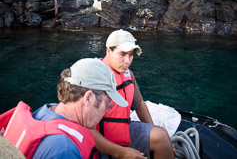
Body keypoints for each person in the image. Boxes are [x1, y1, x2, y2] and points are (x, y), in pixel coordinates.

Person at [1, 58, 129, 159]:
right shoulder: (64, 149)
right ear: (88, 98)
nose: (107, 110)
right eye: (107, 103)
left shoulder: (47, 110)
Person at [91, 30, 175, 159]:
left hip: (124, 131)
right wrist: (121, 152)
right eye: (122, 54)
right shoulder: (94, 76)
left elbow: (140, 103)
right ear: (108, 51)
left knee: (162, 137)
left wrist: (164, 141)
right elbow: (85, 127)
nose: (127, 61)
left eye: (130, 55)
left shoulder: (128, 74)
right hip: (100, 139)